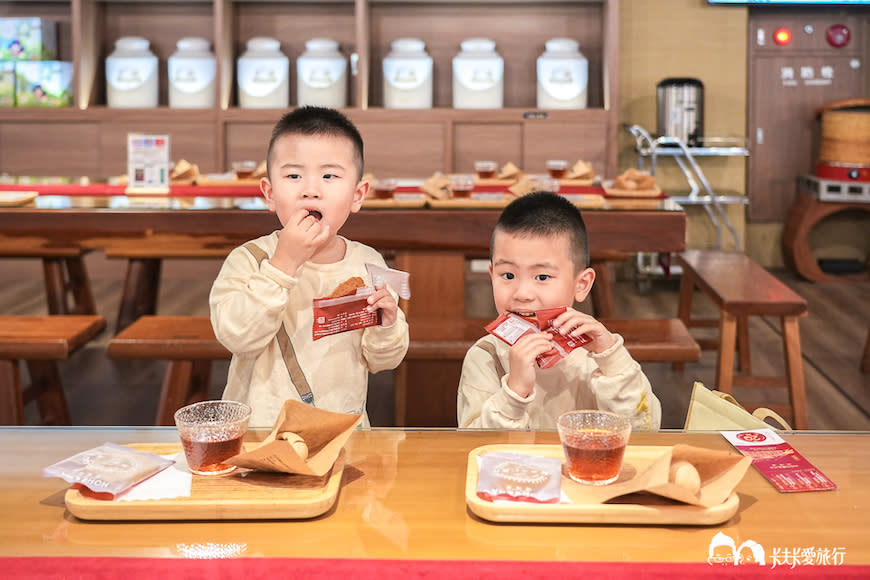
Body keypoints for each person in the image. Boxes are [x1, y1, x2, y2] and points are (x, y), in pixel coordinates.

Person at [210, 106, 409, 427]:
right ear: (270, 193)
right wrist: (283, 264)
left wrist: (386, 326)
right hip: (261, 432)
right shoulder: (249, 259)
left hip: (344, 431)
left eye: (329, 175)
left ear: (358, 195)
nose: (311, 189)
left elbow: (383, 361)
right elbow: (237, 338)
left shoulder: (369, 262)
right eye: (293, 176)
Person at [457, 192, 661, 430]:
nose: (522, 293)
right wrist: (514, 392)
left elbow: (645, 431)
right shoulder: (485, 356)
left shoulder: (597, 356)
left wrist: (611, 359)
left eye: (542, 277)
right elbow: (474, 447)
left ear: (581, 284)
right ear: (492, 276)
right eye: (508, 275)